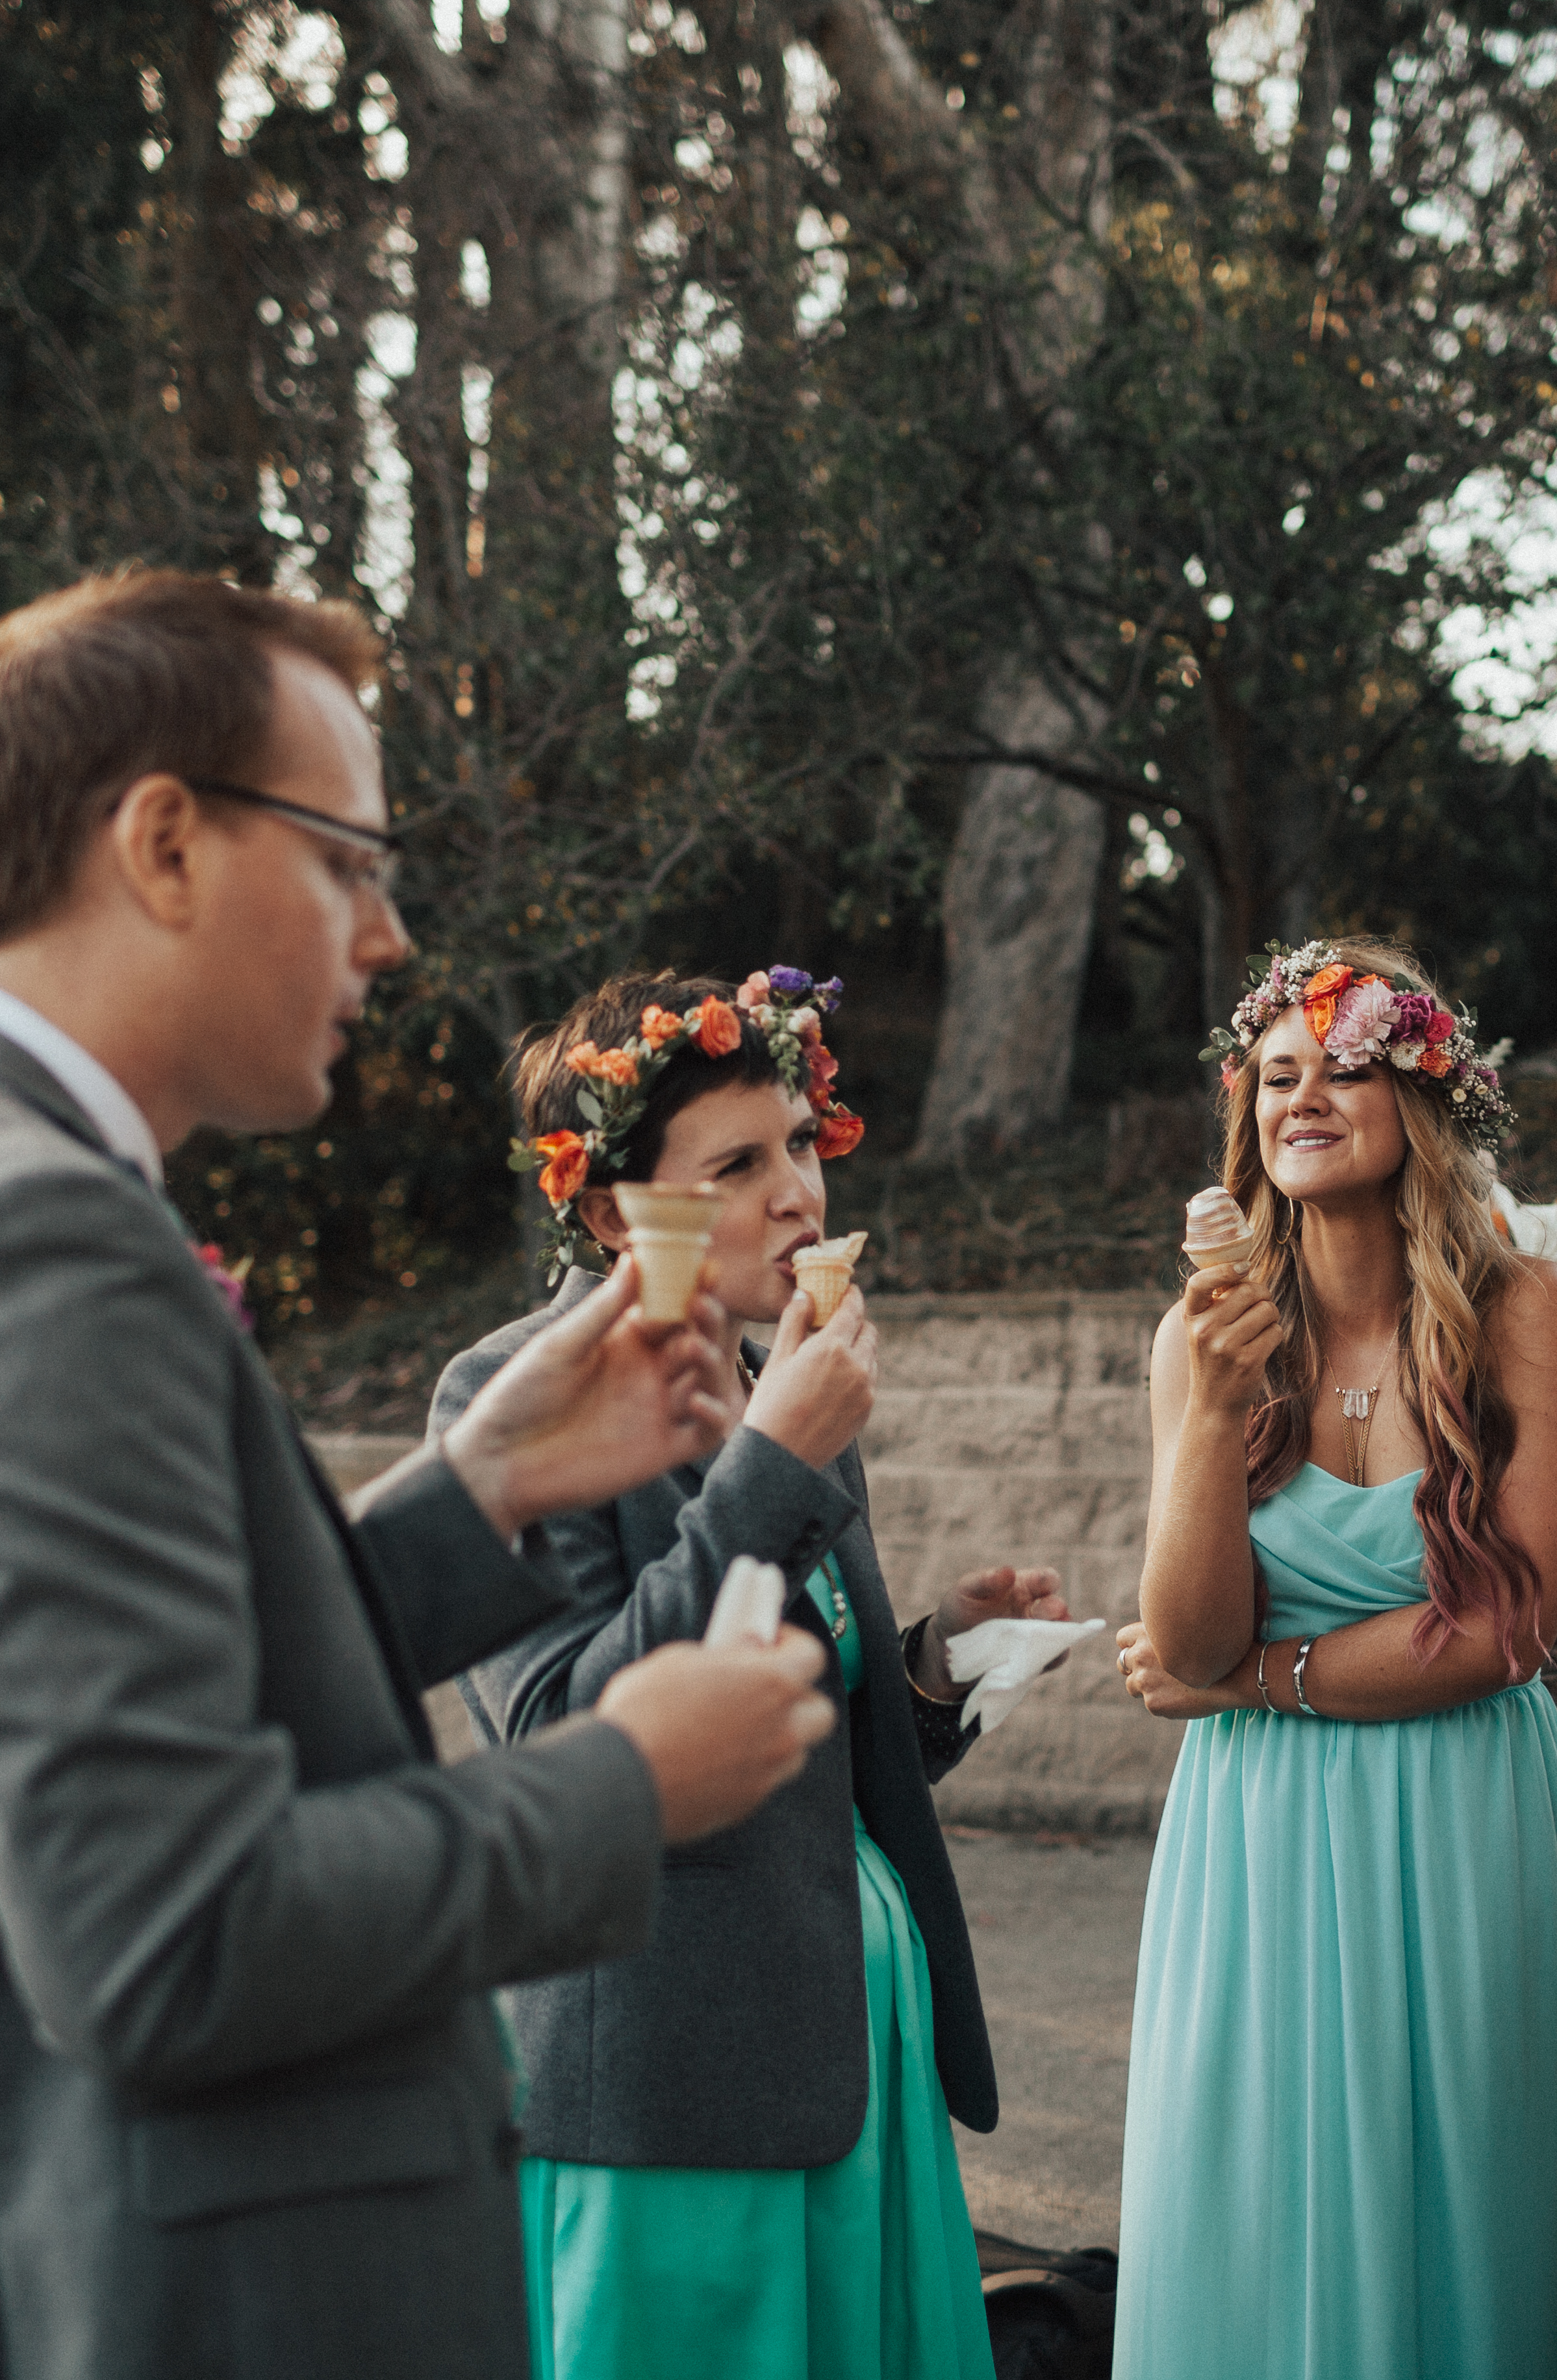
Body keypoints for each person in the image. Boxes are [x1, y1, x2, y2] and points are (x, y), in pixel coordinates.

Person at [0, 570, 839, 2380]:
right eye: (347, 862)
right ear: (162, 843)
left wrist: (479, 1492)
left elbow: (113, 1693)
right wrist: (631, 1777)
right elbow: (170, 1930)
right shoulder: (23, 1243)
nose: (386, 936)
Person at [446, 968, 1068, 2380]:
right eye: (740, 1162)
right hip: (674, 2082)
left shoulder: (781, 1371)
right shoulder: (508, 1392)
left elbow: (805, 1725)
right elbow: (569, 1734)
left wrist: (930, 1665)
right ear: (615, 1211)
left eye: (801, 1142)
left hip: (859, 2050)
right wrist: (769, 1468)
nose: (802, 1192)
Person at [1109, 937, 1557, 2380]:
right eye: (1276, 1073)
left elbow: (1508, 1623)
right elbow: (1191, 1631)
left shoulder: (1524, 1314)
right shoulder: (1199, 1339)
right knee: (1255, 2200)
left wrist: (1265, 1682)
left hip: (1464, 1822)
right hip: (1257, 1839)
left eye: (1344, 1061)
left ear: (1423, 1091)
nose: (1304, 1094)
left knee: (1465, 2186)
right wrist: (1212, 1421)